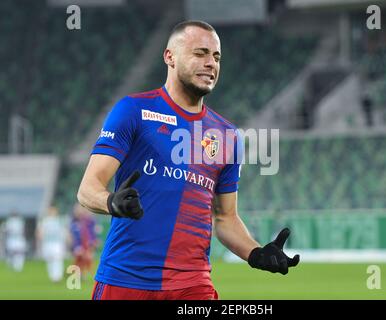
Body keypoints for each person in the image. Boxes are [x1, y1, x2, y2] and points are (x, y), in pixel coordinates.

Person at [77, 20, 299, 300]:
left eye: (216, 57)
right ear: (169, 56)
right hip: (125, 280)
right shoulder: (134, 110)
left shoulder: (228, 136)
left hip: (193, 286)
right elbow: (87, 189)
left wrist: (255, 253)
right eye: (200, 53)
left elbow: (225, 218)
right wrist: (111, 202)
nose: (211, 63)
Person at [36, 206, 67, 283]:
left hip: (57, 243)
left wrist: (67, 240)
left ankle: (57, 277)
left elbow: (64, 231)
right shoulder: (45, 221)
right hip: (47, 243)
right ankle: (52, 276)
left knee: (57, 259)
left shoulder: (59, 220)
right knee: (49, 259)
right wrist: (40, 238)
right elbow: (40, 232)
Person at [69, 203, 98, 280]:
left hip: (87, 243)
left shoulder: (89, 220)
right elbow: (72, 233)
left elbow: (92, 232)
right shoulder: (74, 220)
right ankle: (78, 274)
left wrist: (94, 240)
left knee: (88, 258)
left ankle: (87, 273)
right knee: (79, 258)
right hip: (77, 243)